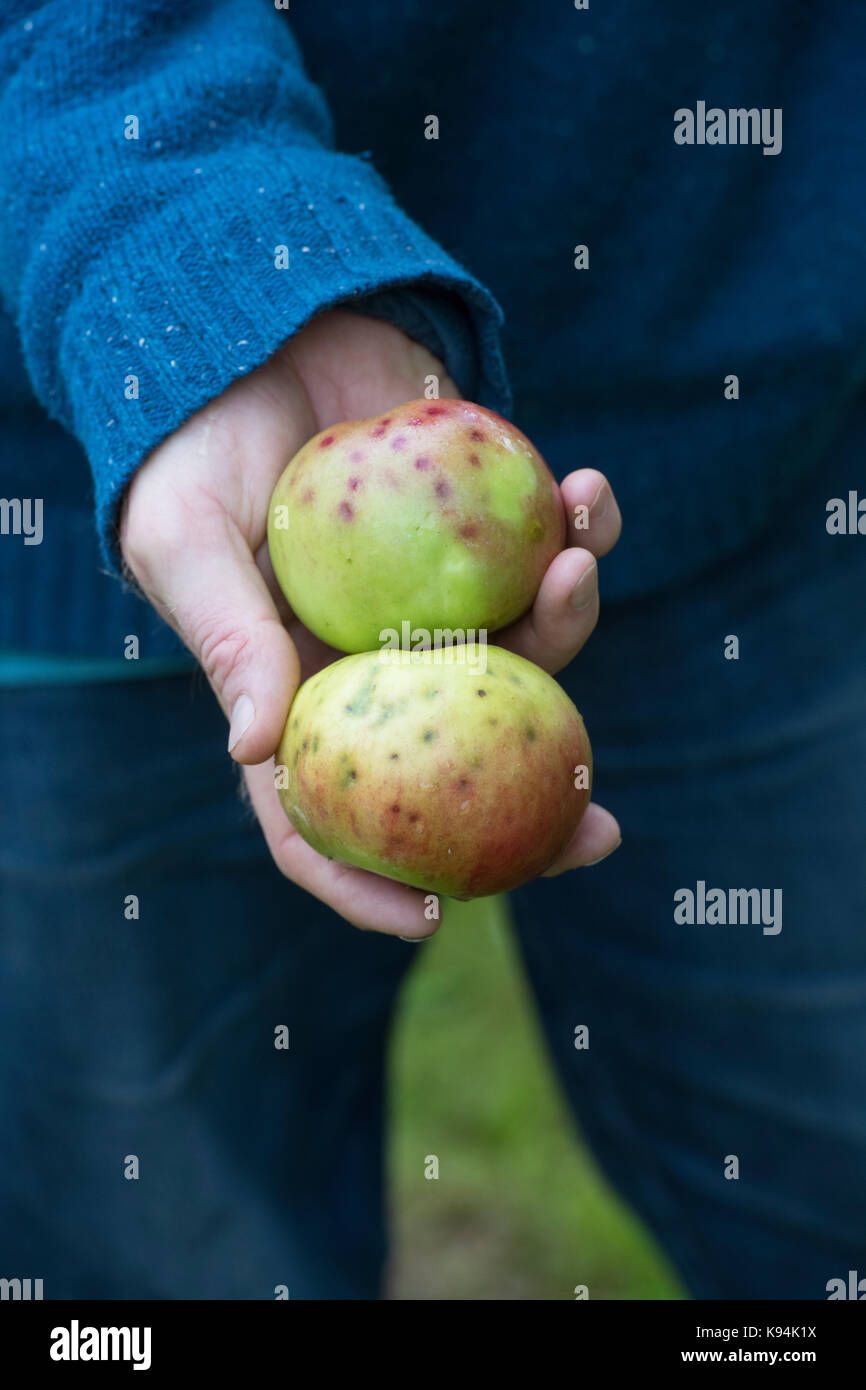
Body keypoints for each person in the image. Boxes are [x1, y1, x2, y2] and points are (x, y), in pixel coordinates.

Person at [1, 0, 864, 1300]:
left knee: (827, 1175)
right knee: (166, 1247)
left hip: (736, 373)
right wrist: (186, 258)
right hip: (103, 434)